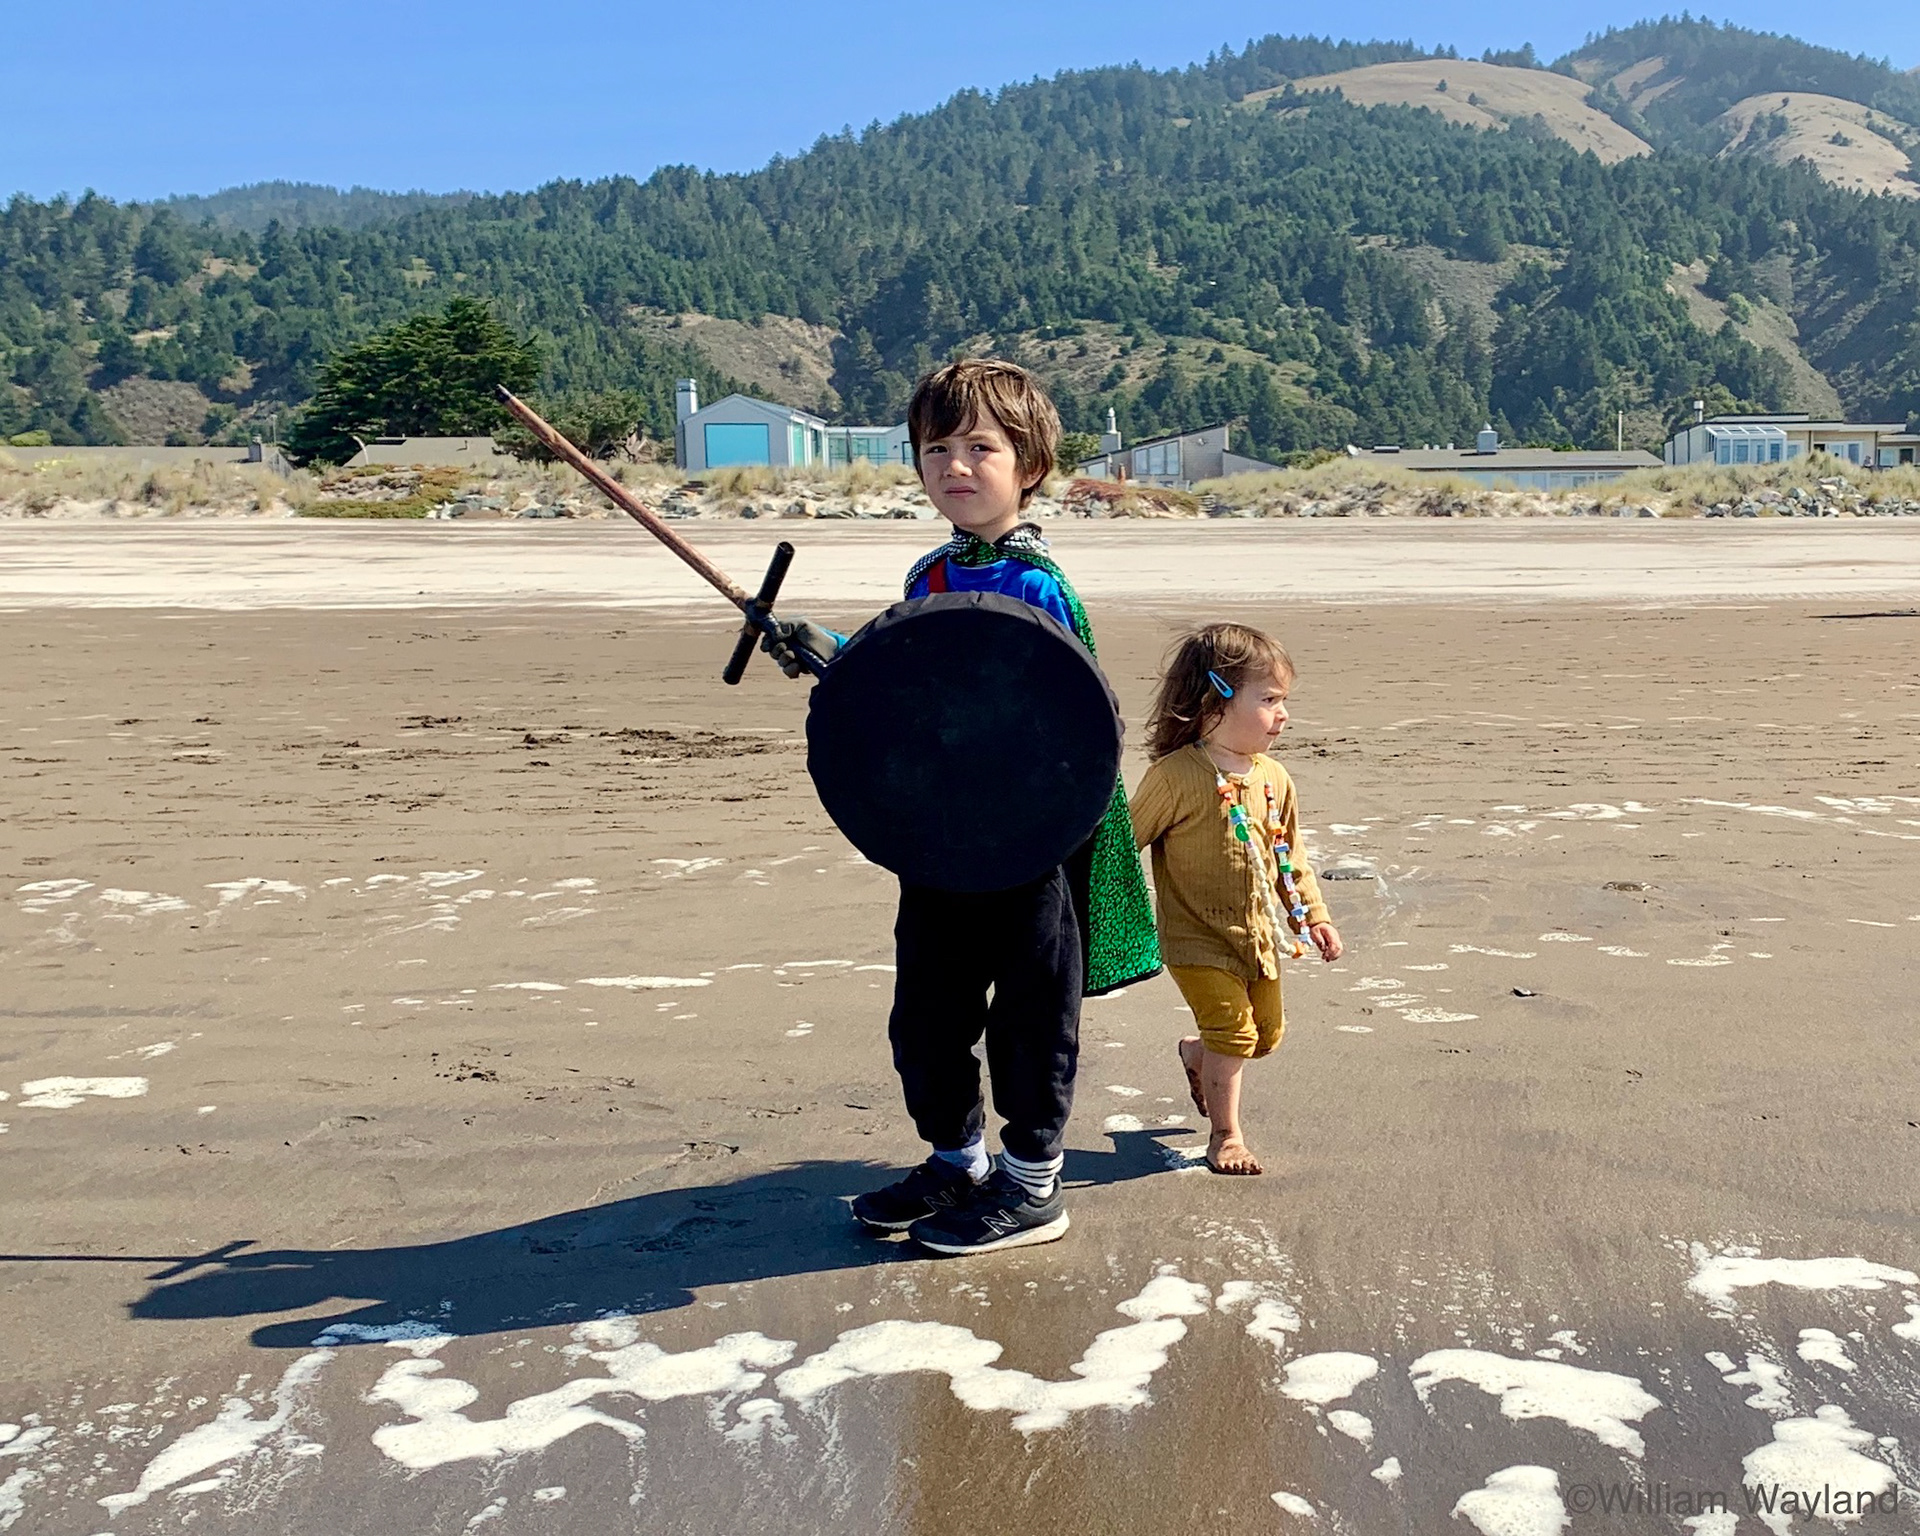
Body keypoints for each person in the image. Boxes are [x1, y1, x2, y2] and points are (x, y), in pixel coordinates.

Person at [763, 359, 1159, 1254]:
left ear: (1030, 466)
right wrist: (820, 647)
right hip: (941, 847)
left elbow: (1079, 722)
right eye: (936, 448)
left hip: (1028, 852)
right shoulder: (931, 574)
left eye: (981, 447)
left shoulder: (1039, 587)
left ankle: (1032, 1185)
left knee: (1029, 1018)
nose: (956, 465)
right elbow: (901, 681)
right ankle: (959, 1160)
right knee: (928, 1016)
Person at [1128, 624, 1343, 1176]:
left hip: (1260, 936)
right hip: (1195, 937)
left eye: (1283, 701)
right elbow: (1125, 847)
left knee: (1264, 1038)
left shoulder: (1275, 778)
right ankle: (1226, 1135)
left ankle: (1197, 1054)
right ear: (1214, 699)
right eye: (1268, 700)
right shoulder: (1175, 777)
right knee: (1235, 1032)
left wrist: (1313, 917)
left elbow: (1289, 858)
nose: (1282, 714)